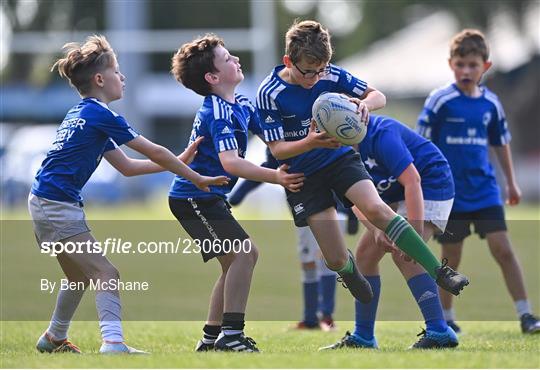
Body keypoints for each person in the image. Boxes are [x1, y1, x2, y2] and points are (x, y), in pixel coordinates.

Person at [30, 35, 230, 355]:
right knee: (106, 273)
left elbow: (128, 167)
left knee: (79, 276)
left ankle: (54, 337)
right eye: (117, 71)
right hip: (57, 204)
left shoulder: (84, 114)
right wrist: (195, 176)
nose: (122, 77)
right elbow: (153, 150)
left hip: (44, 201)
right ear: (99, 79)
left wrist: (179, 161)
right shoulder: (102, 115)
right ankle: (112, 343)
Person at [256, 20, 469, 305]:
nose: (315, 78)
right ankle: (348, 269)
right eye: (308, 72)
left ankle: (439, 271)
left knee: (377, 208)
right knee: (333, 257)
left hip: (338, 158)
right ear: (288, 61)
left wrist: (362, 105)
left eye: (320, 71)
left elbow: (377, 95)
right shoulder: (269, 93)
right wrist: (310, 142)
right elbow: (278, 150)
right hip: (302, 175)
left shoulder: (329, 73)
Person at [168, 34, 305, 353]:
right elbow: (232, 163)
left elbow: (276, 140)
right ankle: (231, 335)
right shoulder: (217, 112)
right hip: (193, 197)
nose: (237, 60)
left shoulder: (240, 104)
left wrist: (308, 136)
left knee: (238, 259)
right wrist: (276, 177)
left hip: (207, 197)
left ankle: (212, 338)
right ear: (213, 77)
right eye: (228, 59)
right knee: (244, 254)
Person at [417, 28, 540, 334]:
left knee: (503, 249)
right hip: (450, 194)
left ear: (485, 66)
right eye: (460, 64)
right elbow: (420, 142)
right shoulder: (439, 100)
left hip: (485, 190)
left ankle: (526, 315)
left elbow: (501, 143)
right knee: (451, 256)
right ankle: (446, 317)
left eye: (473, 65)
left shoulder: (491, 104)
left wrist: (511, 183)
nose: (466, 70)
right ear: (451, 64)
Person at [320, 114, 459, 350]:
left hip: (430, 183)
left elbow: (413, 180)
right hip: (392, 193)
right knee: (364, 255)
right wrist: (375, 230)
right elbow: (355, 199)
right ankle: (363, 337)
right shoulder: (335, 151)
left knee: (404, 254)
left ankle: (439, 331)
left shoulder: (381, 133)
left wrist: (412, 235)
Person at [229, 148, 360, 331]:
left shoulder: (316, 142)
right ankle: (310, 319)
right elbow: (269, 167)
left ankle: (327, 317)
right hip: (303, 211)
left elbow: (340, 175)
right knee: (307, 261)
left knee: (326, 259)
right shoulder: (281, 143)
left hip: (331, 211)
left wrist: (350, 212)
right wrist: (237, 196)